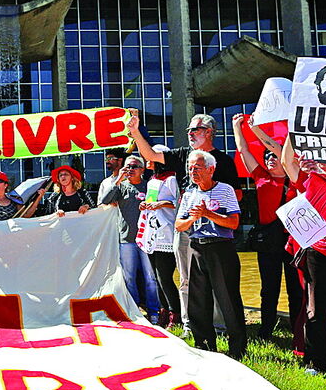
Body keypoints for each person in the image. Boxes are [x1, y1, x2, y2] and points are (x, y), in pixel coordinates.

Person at [128, 110, 240, 328]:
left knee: (218, 280)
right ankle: (191, 323)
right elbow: (150, 155)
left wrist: (211, 204)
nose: (190, 134)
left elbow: (236, 196)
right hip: (186, 227)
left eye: (195, 130)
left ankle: (220, 326)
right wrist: (135, 132)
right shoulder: (181, 155)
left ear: (208, 132)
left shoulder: (224, 161)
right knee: (187, 278)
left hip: (216, 231)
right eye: (188, 130)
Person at [281, 136, 326, 375]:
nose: (322, 161)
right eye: (320, 156)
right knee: (316, 309)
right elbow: (286, 161)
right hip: (319, 252)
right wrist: (296, 127)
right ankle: (316, 363)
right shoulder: (308, 180)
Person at [232, 115, 301, 340]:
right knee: (268, 289)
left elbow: (278, 150)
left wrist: (258, 131)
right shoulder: (261, 178)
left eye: (274, 155)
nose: (270, 158)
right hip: (268, 242)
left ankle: (298, 331)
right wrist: (237, 128)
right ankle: (265, 331)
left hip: (292, 242)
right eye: (267, 156)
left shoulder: (296, 178)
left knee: (295, 290)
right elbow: (244, 151)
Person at [174, 150, 246, 359]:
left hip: (221, 248)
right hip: (197, 247)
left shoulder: (225, 190)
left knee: (228, 299)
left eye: (197, 167)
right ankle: (204, 344)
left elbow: (233, 222)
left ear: (211, 169)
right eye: (190, 167)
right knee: (198, 299)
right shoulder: (189, 194)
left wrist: (208, 214)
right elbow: (179, 225)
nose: (192, 171)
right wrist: (192, 219)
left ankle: (237, 349)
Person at [99, 155, 161, 323]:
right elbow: (104, 200)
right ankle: (135, 313)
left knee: (150, 277)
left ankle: (154, 312)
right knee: (129, 278)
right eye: (127, 166)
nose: (130, 169)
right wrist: (119, 178)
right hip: (126, 239)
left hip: (146, 238)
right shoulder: (121, 186)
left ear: (142, 169)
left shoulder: (148, 186)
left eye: (134, 166)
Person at [138, 146, 180, 328]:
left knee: (165, 276)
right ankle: (163, 310)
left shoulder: (171, 179)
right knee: (156, 276)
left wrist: (161, 204)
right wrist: (146, 205)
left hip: (167, 233)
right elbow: (151, 200)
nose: (146, 158)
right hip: (152, 233)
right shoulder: (152, 180)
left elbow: (178, 202)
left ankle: (176, 312)